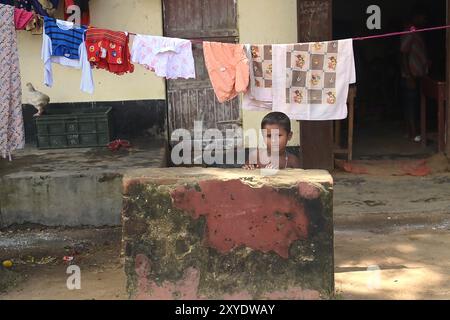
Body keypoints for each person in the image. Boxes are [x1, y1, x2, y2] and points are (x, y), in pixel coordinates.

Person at [400, 7, 429, 143]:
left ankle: (410, 132)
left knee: (413, 103)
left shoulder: (417, 31)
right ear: (416, 16)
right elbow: (404, 53)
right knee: (411, 104)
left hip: (417, 74)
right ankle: (413, 133)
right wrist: (408, 74)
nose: (425, 20)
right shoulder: (411, 31)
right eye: (422, 17)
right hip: (411, 74)